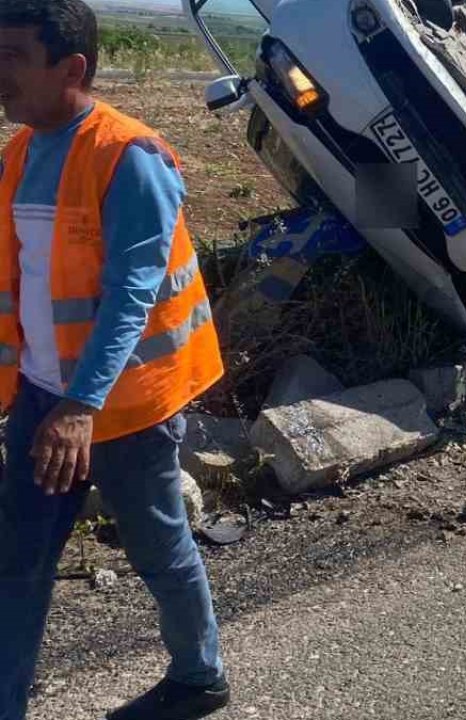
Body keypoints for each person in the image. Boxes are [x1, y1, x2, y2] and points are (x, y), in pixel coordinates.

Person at [0, 2, 228, 719]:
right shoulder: (19, 152)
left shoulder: (130, 157)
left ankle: (200, 678)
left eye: (11, 56)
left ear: (72, 68)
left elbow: (130, 296)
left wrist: (80, 409)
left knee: (158, 548)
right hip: (42, 398)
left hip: (122, 406)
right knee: (19, 563)